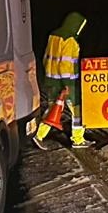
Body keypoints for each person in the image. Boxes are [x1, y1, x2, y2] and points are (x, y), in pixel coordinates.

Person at [37, 11, 87, 147]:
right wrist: (67, 85)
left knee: (53, 108)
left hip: (51, 79)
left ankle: (39, 135)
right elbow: (65, 64)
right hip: (67, 82)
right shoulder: (70, 40)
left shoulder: (53, 36)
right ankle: (78, 139)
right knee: (78, 111)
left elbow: (46, 57)